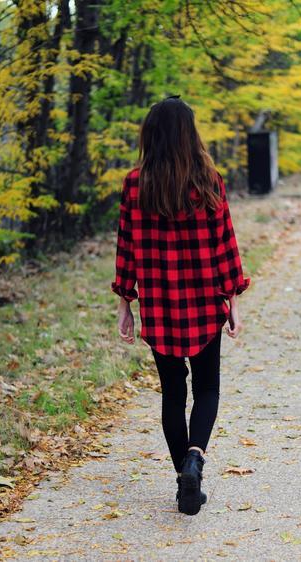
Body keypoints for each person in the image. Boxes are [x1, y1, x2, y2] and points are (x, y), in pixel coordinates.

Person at [111, 95, 250, 515]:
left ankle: (182, 481)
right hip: (204, 302)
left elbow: (127, 248)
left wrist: (125, 303)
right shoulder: (209, 180)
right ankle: (195, 459)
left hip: (160, 305)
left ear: (150, 136)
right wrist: (233, 300)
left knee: (173, 394)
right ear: (191, 136)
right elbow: (225, 244)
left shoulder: (136, 184)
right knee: (207, 388)